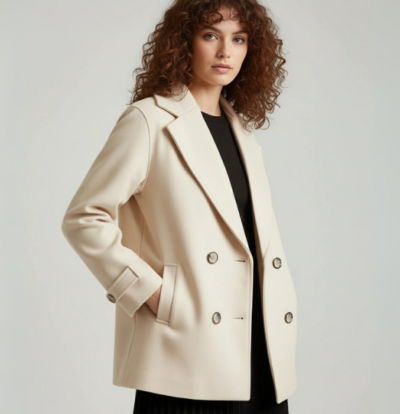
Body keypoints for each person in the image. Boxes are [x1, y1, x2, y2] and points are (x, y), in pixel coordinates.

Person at [61, 1, 298, 413]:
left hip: (259, 348)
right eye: (211, 35)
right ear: (184, 41)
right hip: (187, 346)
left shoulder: (242, 131)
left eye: (238, 39)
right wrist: (150, 292)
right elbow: (84, 217)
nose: (225, 51)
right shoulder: (149, 120)